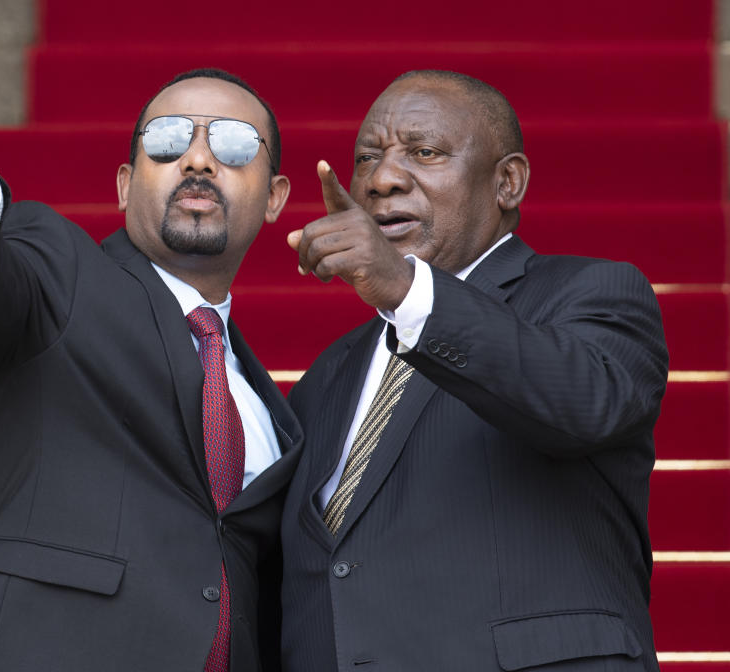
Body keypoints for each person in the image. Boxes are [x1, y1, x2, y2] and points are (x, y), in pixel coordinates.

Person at [0, 68, 301, 672]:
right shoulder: (58, 276)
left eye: (234, 144)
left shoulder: (269, 408)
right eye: (166, 140)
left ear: (275, 197)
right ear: (123, 184)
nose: (197, 159)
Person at [280, 70, 668, 671]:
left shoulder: (592, 292)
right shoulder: (333, 370)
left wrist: (409, 292)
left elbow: (585, 403)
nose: (380, 179)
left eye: (423, 152)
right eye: (367, 158)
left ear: (507, 181)